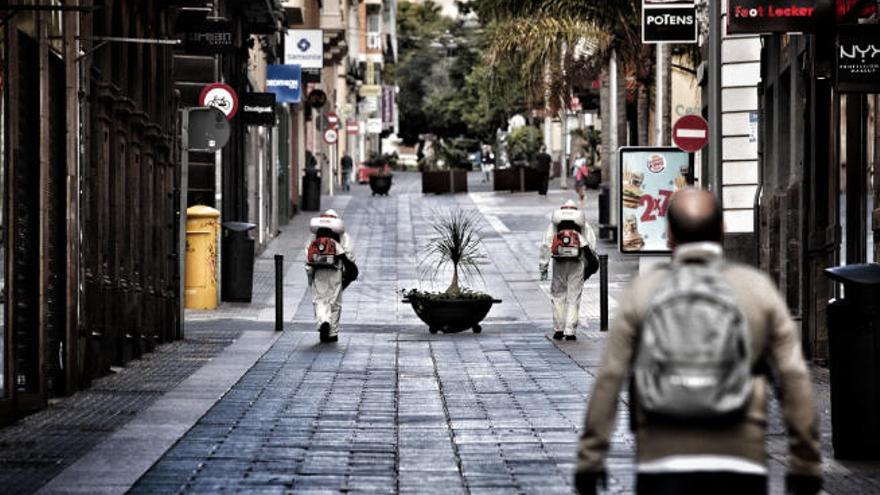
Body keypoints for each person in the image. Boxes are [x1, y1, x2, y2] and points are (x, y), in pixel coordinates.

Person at [575, 188, 822, 495]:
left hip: (661, 459)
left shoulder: (644, 292)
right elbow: (793, 377)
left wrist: (590, 458)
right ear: (722, 231)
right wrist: (805, 462)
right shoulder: (756, 290)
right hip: (740, 460)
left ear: (669, 236)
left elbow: (609, 379)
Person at [539, 200, 597, 341]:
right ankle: (570, 331)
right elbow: (591, 245)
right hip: (577, 263)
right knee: (573, 297)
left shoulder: (554, 224)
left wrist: (543, 267)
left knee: (558, 296)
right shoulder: (584, 224)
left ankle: (558, 329)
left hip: (559, 263)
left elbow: (546, 245)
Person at [304, 209, 357, 343]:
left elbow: (308, 258)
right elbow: (350, 256)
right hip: (336, 272)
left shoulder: (313, 237)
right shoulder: (344, 237)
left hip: (318, 272)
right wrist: (346, 275)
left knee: (320, 300)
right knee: (334, 301)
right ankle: (332, 332)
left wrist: (310, 276)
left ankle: (323, 321)